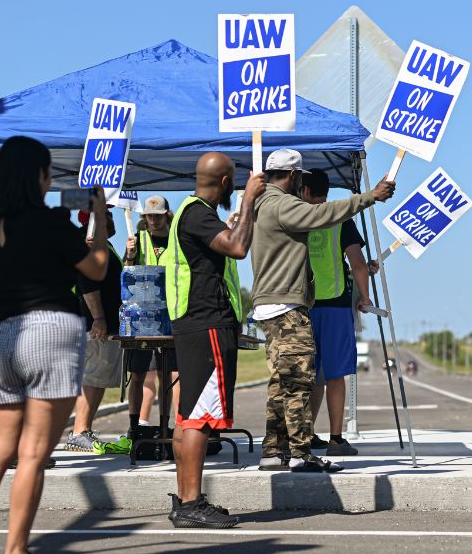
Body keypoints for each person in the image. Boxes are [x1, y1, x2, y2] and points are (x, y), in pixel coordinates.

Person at [0, 136, 110, 554]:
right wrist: (98, 218)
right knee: (35, 452)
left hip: (4, 333)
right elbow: (96, 267)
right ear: (39, 176)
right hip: (52, 331)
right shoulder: (51, 222)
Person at [250, 149, 395, 472]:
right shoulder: (283, 204)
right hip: (288, 306)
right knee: (301, 382)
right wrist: (370, 197)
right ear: (294, 177)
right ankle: (301, 453)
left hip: (272, 303)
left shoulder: (259, 203)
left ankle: (273, 451)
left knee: (282, 381)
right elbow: (323, 215)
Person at [165, 152, 264, 528]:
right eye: (235, 182)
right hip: (205, 325)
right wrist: (250, 199)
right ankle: (191, 504)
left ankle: (186, 500)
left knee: (190, 415)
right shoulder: (198, 214)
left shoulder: (193, 213)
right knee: (199, 420)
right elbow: (238, 247)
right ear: (225, 183)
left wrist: (236, 218)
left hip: (196, 323)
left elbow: (222, 244)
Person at [300, 169, 377, 456]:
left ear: (305, 191)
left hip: (302, 305)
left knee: (309, 376)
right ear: (326, 191)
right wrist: (365, 296)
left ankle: (304, 434)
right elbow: (357, 263)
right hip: (334, 304)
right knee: (334, 375)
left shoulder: (294, 217)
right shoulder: (340, 219)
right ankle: (335, 439)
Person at [64, 214, 124, 452]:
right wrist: (98, 318)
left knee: (98, 379)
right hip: (93, 324)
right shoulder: (88, 245)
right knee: (91, 377)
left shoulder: (100, 244)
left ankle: (84, 429)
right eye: (107, 216)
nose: (112, 221)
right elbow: (88, 283)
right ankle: (78, 431)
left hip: (104, 324)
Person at [122, 196, 176, 429]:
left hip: (169, 314)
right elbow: (127, 273)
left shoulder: (177, 238)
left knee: (167, 374)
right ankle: (134, 425)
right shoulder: (139, 238)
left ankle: (165, 423)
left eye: (158, 215)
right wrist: (131, 254)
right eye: (149, 215)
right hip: (141, 316)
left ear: (167, 215)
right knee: (137, 373)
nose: (153, 220)